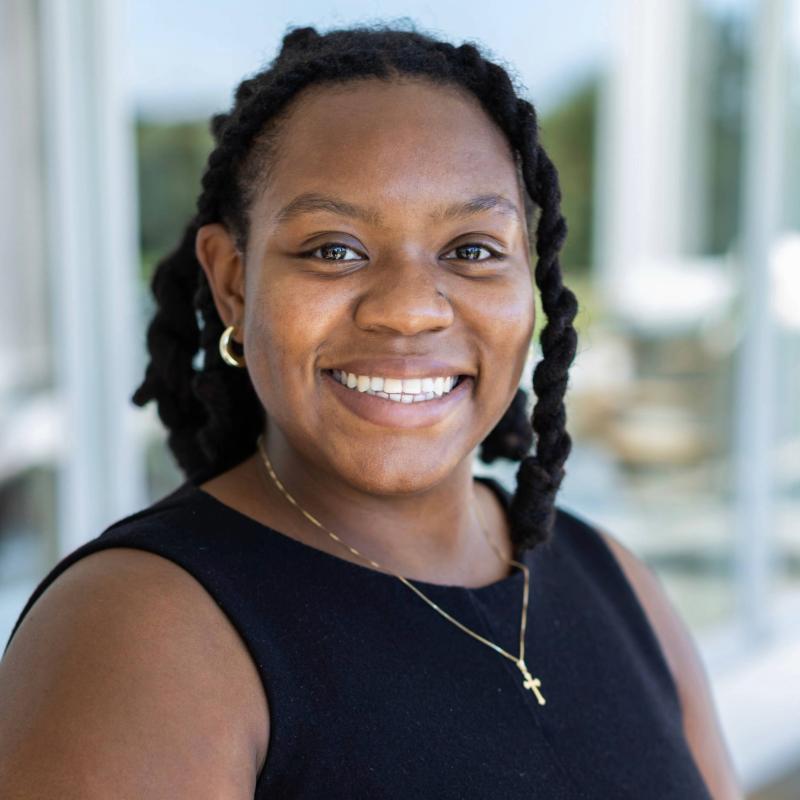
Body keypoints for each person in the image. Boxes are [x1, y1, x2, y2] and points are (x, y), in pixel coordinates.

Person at [0, 23, 740, 799]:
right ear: (233, 283)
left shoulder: (615, 582)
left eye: (474, 249)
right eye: (334, 249)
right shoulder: (141, 633)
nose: (411, 310)